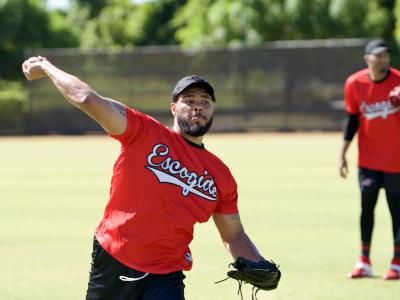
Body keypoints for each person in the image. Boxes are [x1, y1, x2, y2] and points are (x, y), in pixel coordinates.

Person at [22, 56, 272, 299]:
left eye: (205, 101)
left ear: (213, 110)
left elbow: (233, 235)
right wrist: (45, 66)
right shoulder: (143, 132)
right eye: (189, 99)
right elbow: (85, 98)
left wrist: (257, 262)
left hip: (167, 272)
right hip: (115, 258)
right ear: (173, 107)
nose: (198, 106)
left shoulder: (220, 175)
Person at [339, 38, 400, 280]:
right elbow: (353, 119)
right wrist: (342, 153)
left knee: (397, 211)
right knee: (367, 208)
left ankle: (397, 262)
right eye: (379, 55)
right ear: (367, 58)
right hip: (368, 161)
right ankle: (364, 261)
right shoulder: (355, 83)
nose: (383, 59)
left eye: (386, 55)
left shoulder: (399, 81)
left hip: (397, 161)